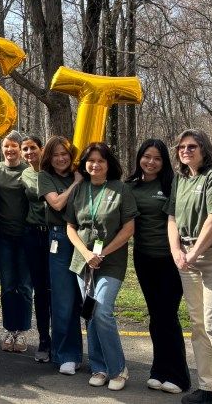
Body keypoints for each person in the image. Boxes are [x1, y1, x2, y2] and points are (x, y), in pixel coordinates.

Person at [166, 129, 212, 404]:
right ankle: (209, 386)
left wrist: (193, 254)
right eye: (182, 147)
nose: (186, 151)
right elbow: (171, 217)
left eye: (192, 146)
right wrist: (176, 251)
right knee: (198, 323)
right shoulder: (180, 179)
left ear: (204, 149)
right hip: (185, 255)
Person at [66, 142, 137, 391]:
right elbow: (71, 226)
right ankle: (99, 367)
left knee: (103, 311)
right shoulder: (79, 189)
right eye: (90, 161)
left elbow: (129, 227)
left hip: (110, 262)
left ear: (109, 164)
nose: (95, 165)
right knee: (90, 312)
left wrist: (102, 253)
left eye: (100, 161)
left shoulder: (120, 189)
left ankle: (118, 369)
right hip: (83, 261)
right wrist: (86, 254)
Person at [127, 139, 190, 394]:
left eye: (157, 158)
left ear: (164, 162)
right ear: (139, 157)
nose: (150, 162)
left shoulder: (172, 184)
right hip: (143, 258)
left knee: (167, 316)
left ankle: (179, 376)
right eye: (146, 157)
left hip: (169, 259)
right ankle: (158, 370)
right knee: (155, 316)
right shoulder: (130, 187)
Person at [35, 136, 84, 375]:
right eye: (55, 155)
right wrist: (75, 183)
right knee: (63, 300)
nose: (61, 158)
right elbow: (55, 204)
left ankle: (94, 356)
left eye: (65, 153)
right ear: (48, 158)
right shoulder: (45, 177)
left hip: (85, 237)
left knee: (87, 299)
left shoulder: (83, 170)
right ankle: (65, 355)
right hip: (59, 239)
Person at [0, 131, 32, 353]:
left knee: (24, 287)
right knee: (7, 287)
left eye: (14, 146)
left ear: (20, 149)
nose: (10, 150)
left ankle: (23, 331)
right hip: (3, 237)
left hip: (26, 237)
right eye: (6, 146)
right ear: (2, 148)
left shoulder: (29, 171)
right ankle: (9, 329)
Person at [20, 134, 51, 362]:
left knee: (59, 290)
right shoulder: (25, 174)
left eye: (33, 148)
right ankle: (43, 340)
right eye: (25, 149)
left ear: (42, 149)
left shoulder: (53, 169)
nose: (29, 152)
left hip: (56, 235)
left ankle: (62, 340)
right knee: (39, 290)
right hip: (33, 235)